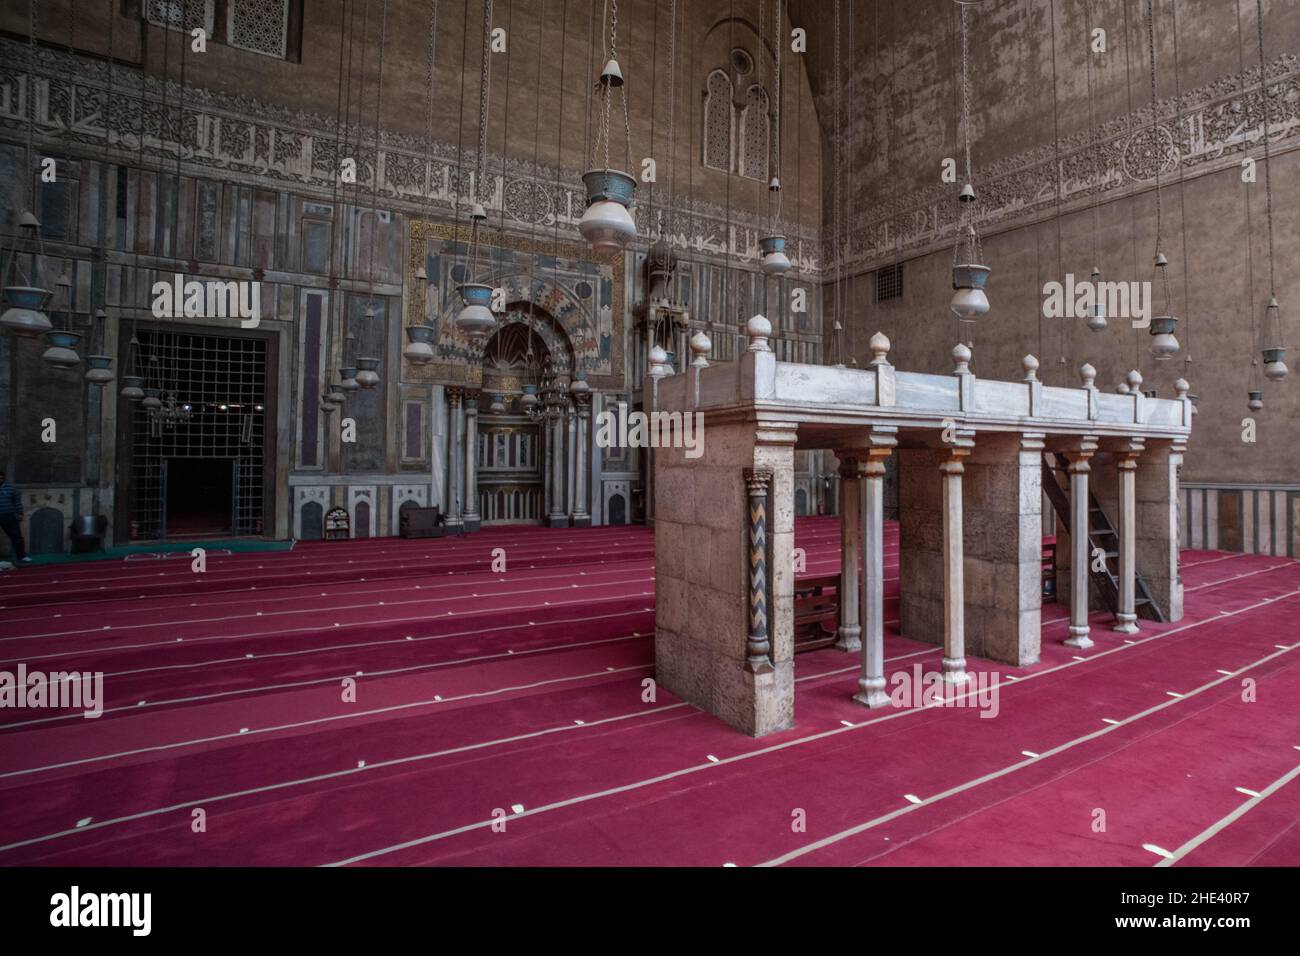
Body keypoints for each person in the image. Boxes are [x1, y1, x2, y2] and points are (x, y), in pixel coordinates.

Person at [0, 469, 30, 564]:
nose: (0, 480)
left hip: (9, 515)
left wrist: (20, 513)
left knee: (16, 536)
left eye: (2, 478)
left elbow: (17, 502)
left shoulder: (10, 488)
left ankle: (22, 556)